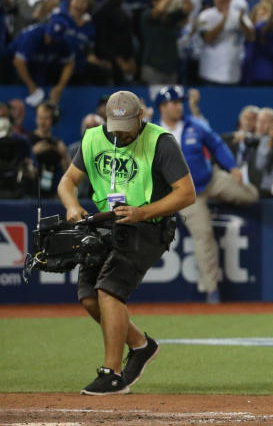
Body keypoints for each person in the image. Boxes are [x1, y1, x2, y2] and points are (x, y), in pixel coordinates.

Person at [57, 90, 195, 395]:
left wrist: (142, 212)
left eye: (127, 125)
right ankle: (140, 345)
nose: (119, 132)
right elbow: (67, 181)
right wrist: (71, 206)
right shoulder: (93, 138)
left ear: (141, 117)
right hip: (108, 224)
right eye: (114, 125)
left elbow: (186, 193)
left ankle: (113, 374)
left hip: (149, 225)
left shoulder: (161, 142)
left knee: (109, 289)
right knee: (89, 297)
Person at [154, 87, 258, 303]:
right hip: (186, 195)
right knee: (204, 236)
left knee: (251, 195)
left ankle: (218, 200)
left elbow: (216, 144)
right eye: (173, 102)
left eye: (180, 102)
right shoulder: (153, 132)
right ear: (162, 107)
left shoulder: (194, 125)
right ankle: (211, 290)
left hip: (211, 179)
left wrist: (232, 167)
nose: (178, 106)